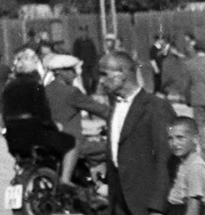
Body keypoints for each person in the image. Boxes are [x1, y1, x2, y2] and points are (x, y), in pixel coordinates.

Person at [103, 50, 178, 215]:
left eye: (104, 74)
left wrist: (157, 206)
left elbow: (165, 160)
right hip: (119, 202)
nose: (101, 80)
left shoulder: (156, 108)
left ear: (122, 74)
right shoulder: (115, 107)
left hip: (145, 202)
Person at [44, 52, 110, 190]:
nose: (75, 74)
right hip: (74, 144)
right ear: (62, 72)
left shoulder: (45, 90)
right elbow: (101, 110)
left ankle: (91, 183)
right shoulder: (71, 92)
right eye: (72, 71)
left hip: (52, 142)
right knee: (111, 148)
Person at [171, 117, 205, 215]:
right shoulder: (184, 164)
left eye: (180, 137)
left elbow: (193, 206)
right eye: (170, 138)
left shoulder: (195, 167)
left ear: (195, 139)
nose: (174, 143)